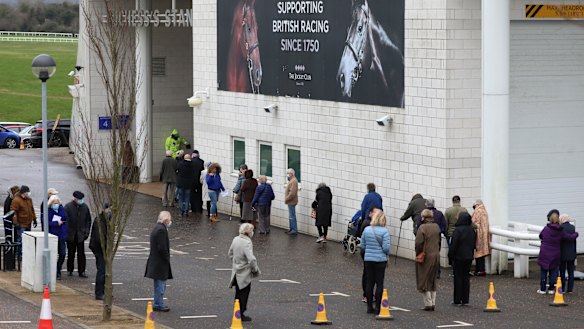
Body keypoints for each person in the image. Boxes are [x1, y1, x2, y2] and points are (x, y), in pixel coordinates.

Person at [537, 209, 578, 294]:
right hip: (555, 253)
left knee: (544, 271)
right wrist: (576, 234)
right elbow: (569, 237)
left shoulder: (546, 229)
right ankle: (552, 289)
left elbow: (540, 236)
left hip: (544, 252)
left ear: (550, 219)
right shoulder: (560, 230)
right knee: (553, 271)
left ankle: (543, 289)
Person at [228, 223, 260, 322]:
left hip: (236, 270)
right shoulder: (247, 243)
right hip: (244, 272)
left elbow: (230, 254)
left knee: (238, 293)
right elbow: (251, 259)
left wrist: (236, 262)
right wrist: (255, 269)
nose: (252, 232)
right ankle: (240, 313)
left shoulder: (235, 239)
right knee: (244, 293)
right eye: (252, 230)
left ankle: (237, 311)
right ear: (248, 232)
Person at [360, 210, 390, 314]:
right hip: (381, 260)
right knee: (379, 283)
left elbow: (362, 246)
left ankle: (369, 307)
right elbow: (386, 248)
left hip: (368, 259)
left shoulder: (367, 230)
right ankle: (378, 307)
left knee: (369, 282)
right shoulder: (385, 231)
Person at [145, 211, 173, 312]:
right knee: (160, 285)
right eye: (170, 219)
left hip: (156, 262)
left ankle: (158, 303)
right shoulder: (161, 230)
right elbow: (162, 247)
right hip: (160, 263)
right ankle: (158, 303)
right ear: (166, 220)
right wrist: (167, 258)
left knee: (159, 284)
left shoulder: (157, 228)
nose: (170, 221)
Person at [415, 209, 441, 311]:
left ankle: (428, 303)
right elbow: (439, 241)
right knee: (432, 279)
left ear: (423, 217)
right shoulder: (437, 227)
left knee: (424, 278)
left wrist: (418, 253)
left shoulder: (422, 227)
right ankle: (433, 302)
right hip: (436, 255)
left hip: (426, 256)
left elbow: (418, 244)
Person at [448, 212, 476, 305]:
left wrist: (450, 256)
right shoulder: (472, 230)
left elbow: (453, 245)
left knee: (458, 278)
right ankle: (465, 299)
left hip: (458, 257)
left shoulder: (457, 230)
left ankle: (457, 299)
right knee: (466, 277)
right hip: (469, 257)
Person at [64, 191, 92, 278]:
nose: (81, 201)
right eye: (79, 199)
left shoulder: (85, 207)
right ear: (74, 198)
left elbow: (88, 220)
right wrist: (67, 232)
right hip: (71, 235)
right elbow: (65, 221)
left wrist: (86, 233)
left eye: (81, 199)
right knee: (71, 253)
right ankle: (70, 270)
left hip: (80, 235)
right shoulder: (68, 207)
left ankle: (82, 271)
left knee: (81, 254)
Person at [40, 195, 68, 280]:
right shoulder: (47, 211)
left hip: (61, 236)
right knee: (52, 255)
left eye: (57, 203)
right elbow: (45, 223)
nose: (56, 204)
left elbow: (66, 220)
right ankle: (53, 272)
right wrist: (56, 223)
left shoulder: (62, 210)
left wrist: (65, 229)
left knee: (62, 254)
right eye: (54, 203)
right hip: (52, 236)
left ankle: (58, 268)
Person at [359, 207, 380, 303]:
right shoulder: (367, 224)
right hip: (369, 253)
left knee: (370, 274)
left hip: (370, 252)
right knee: (369, 274)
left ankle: (368, 294)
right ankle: (367, 294)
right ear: (370, 213)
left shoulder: (372, 224)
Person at [90, 203, 110, 300]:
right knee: (101, 271)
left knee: (104, 271)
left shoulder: (105, 220)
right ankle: (99, 293)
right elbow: (99, 238)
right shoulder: (100, 221)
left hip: (102, 249)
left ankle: (103, 291)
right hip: (100, 249)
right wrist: (106, 248)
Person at [445, 195, 468, 272]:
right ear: (459, 201)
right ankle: (462, 269)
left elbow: (446, 224)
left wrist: (446, 233)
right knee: (461, 251)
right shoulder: (464, 210)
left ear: (452, 201)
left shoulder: (448, 211)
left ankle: (454, 269)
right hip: (463, 233)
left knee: (453, 251)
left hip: (451, 233)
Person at [11, 185, 37, 250]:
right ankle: (19, 255)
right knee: (20, 241)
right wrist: (16, 222)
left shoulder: (29, 200)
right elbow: (14, 212)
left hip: (28, 223)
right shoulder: (16, 200)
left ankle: (25, 254)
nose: (29, 193)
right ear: (24, 192)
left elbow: (32, 209)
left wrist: (34, 219)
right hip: (21, 224)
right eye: (28, 192)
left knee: (27, 240)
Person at [471, 200, 490, 276]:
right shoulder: (484, 211)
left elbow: (473, 222)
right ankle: (481, 270)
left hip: (479, 233)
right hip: (485, 233)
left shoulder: (477, 211)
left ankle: (479, 270)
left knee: (478, 252)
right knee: (482, 252)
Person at [559, 213, 577, 293]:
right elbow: (574, 242)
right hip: (571, 253)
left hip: (562, 253)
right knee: (571, 272)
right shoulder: (573, 228)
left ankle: (562, 288)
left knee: (562, 272)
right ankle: (570, 289)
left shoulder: (560, 228)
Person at [176, 153, 195, 217]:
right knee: (187, 198)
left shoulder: (181, 164)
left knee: (181, 198)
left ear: (184, 158)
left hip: (181, 183)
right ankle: (186, 212)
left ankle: (181, 211)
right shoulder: (192, 165)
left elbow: (177, 170)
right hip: (189, 184)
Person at [284, 168, 299, 235]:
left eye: (288, 173)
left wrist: (287, 198)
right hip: (290, 201)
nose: (287, 175)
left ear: (292, 174)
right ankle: (291, 229)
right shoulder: (292, 180)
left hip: (291, 201)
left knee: (292, 216)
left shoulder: (293, 181)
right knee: (291, 216)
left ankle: (294, 230)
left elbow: (292, 193)